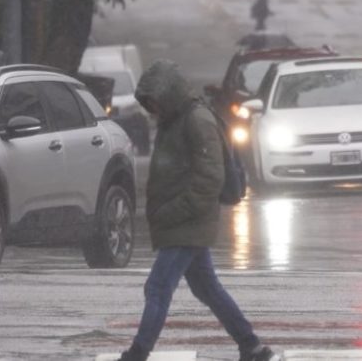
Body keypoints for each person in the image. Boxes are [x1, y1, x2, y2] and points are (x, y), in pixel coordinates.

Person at [118, 60, 278, 361]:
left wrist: (174, 211)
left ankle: (137, 354)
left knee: (158, 287)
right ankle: (252, 346)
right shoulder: (175, 120)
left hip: (187, 222)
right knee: (207, 289)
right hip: (183, 222)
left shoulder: (197, 121)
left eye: (154, 101)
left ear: (168, 94)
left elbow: (209, 179)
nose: (152, 109)